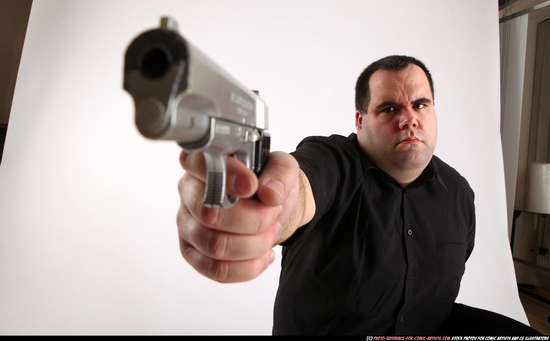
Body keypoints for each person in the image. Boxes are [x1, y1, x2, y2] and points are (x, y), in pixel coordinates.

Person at [176, 55, 541, 336]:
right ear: (360, 121)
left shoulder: (459, 194)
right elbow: (299, 190)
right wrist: (268, 208)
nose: (409, 118)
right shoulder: (333, 160)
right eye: (390, 108)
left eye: (420, 104)